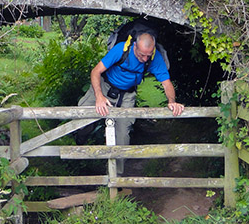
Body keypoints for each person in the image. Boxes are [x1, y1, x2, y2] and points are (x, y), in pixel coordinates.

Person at [77, 31, 184, 174]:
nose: (145, 59)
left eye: (148, 55)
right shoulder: (121, 49)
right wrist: (99, 97)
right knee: (82, 118)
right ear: (134, 46)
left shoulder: (154, 57)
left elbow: (166, 83)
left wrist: (172, 101)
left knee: (122, 135)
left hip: (126, 95)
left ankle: (116, 176)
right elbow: (95, 72)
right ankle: (79, 144)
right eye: (142, 55)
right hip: (104, 86)